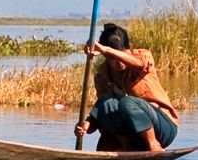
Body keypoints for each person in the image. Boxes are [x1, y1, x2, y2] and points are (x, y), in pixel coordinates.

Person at [78, 21, 183, 151]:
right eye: (112, 58)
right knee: (106, 101)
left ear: (129, 50)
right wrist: (86, 126)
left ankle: (153, 144)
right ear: (105, 57)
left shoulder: (142, 56)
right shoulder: (102, 77)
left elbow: (139, 63)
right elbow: (103, 111)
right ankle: (126, 147)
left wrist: (108, 49)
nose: (119, 62)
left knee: (127, 102)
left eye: (122, 55)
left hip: (163, 127)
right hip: (133, 133)